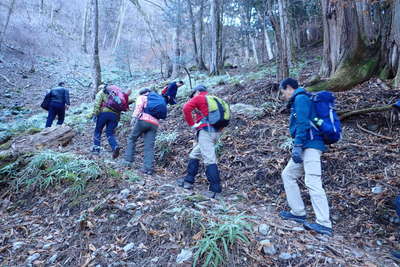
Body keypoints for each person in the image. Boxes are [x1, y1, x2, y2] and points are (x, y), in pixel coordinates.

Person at [278, 78, 333, 236]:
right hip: (305, 146)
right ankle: (298, 212)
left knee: (313, 181)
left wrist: (297, 145)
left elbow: (303, 123)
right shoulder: (300, 99)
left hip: (311, 146)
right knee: (288, 174)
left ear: (289, 88)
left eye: (283, 92)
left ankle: (324, 223)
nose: (283, 96)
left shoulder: (301, 98)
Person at [176, 85, 223, 199]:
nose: (192, 97)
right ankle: (188, 181)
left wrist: (192, 124)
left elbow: (186, 108)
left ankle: (215, 190)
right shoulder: (215, 99)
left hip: (206, 132)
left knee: (209, 159)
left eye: (193, 94)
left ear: (197, 91)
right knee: (194, 154)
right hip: (216, 132)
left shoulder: (199, 97)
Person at [121, 88, 159, 175]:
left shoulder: (142, 97)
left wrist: (134, 117)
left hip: (143, 120)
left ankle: (128, 160)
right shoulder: (157, 98)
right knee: (149, 146)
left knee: (132, 138)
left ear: (142, 93)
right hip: (155, 124)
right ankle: (148, 168)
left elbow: (139, 107)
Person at [90, 84, 131, 159]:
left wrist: (95, 114)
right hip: (115, 115)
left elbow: (97, 104)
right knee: (110, 133)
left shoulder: (101, 93)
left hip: (104, 114)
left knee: (98, 131)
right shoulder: (115, 93)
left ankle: (96, 150)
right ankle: (115, 146)